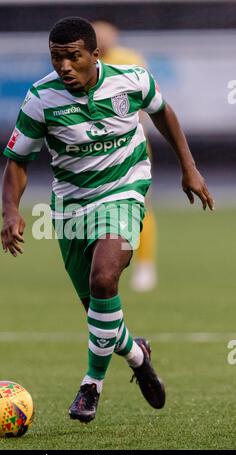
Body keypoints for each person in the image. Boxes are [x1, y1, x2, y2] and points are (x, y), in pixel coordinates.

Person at [1, 17, 214, 423]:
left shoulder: (131, 80)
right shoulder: (40, 98)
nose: (64, 66)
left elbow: (163, 112)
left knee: (104, 278)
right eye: (56, 57)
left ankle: (90, 386)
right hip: (70, 207)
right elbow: (18, 161)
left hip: (124, 190)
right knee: (100, 312)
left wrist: (189, 167)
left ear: (94, 55)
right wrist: (11, 210)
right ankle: (137, 354)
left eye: (73, 57)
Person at [92, 20, 158, 292]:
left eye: (103, 31)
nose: (100, 37)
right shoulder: (83, 64)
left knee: (140, 206)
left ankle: (145, 266)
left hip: (130, 146)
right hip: (95, 150)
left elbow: (145, 105)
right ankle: (99, 265)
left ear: (114, 34)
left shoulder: (129, 60)